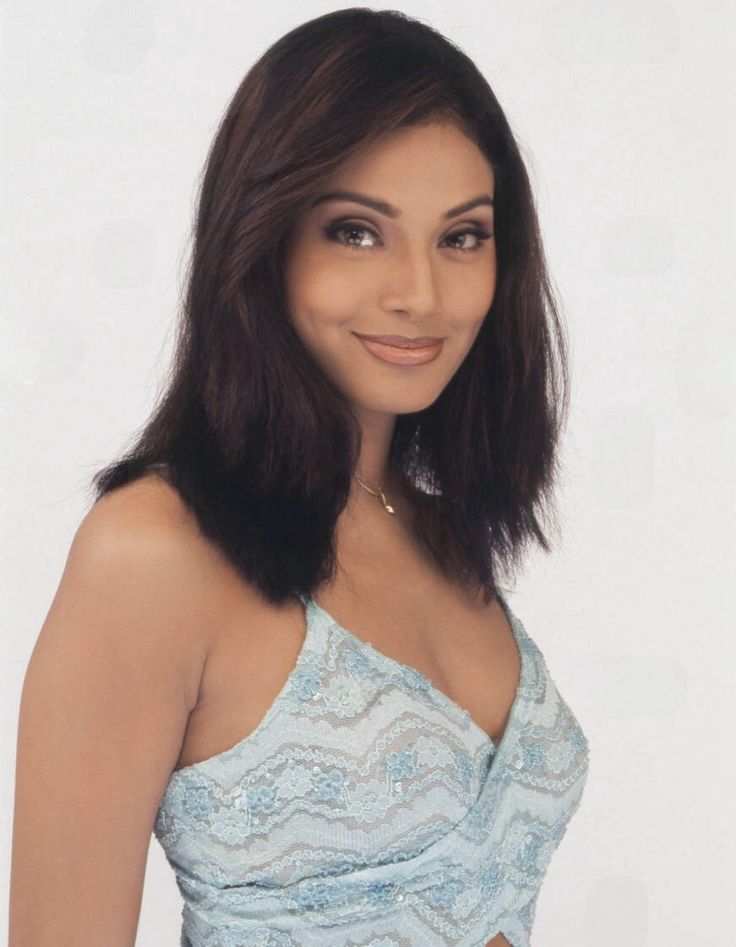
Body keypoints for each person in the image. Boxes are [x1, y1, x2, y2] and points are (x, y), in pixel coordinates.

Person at [9, 9, 589, 946]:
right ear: (263, 238)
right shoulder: (153, 550)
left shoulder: (436, 529)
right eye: (357, 232)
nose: (420, 294)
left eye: (462, 236)